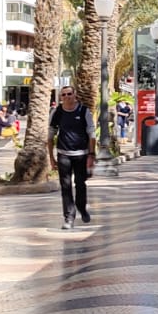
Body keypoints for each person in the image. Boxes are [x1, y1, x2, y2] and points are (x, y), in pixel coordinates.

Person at [48, 86, 96, 229]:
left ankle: (81, 207)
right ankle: (69, 217)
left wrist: (91, 155)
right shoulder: (57, 112)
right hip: (63, 154)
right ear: (61, 97)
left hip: (81, 154)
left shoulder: (83, 111)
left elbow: (91, 134)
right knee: (65, 186)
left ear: (75, 95)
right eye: (64, 95)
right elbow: (50, 136)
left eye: (70, 94)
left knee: (80, 184)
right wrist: (51, 158)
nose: (67, 96)